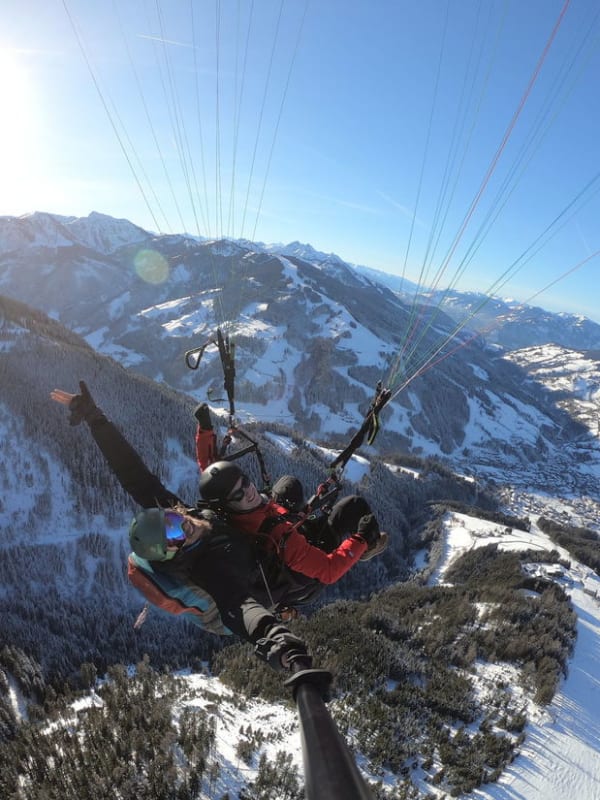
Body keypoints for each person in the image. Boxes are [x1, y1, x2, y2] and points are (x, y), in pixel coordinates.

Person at [50, 381, 383, 673]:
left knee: (289, 487)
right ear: (172, 555)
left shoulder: (183, 519)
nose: (184, 527)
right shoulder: (211, 568)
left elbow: (134, 475)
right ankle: (366, 546)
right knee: (350, 509)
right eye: (175, 537)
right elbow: (242, 609)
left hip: (260, 544)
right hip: (295, 580)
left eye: (173, 520)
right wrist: (275, 638)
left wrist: (96, 420)